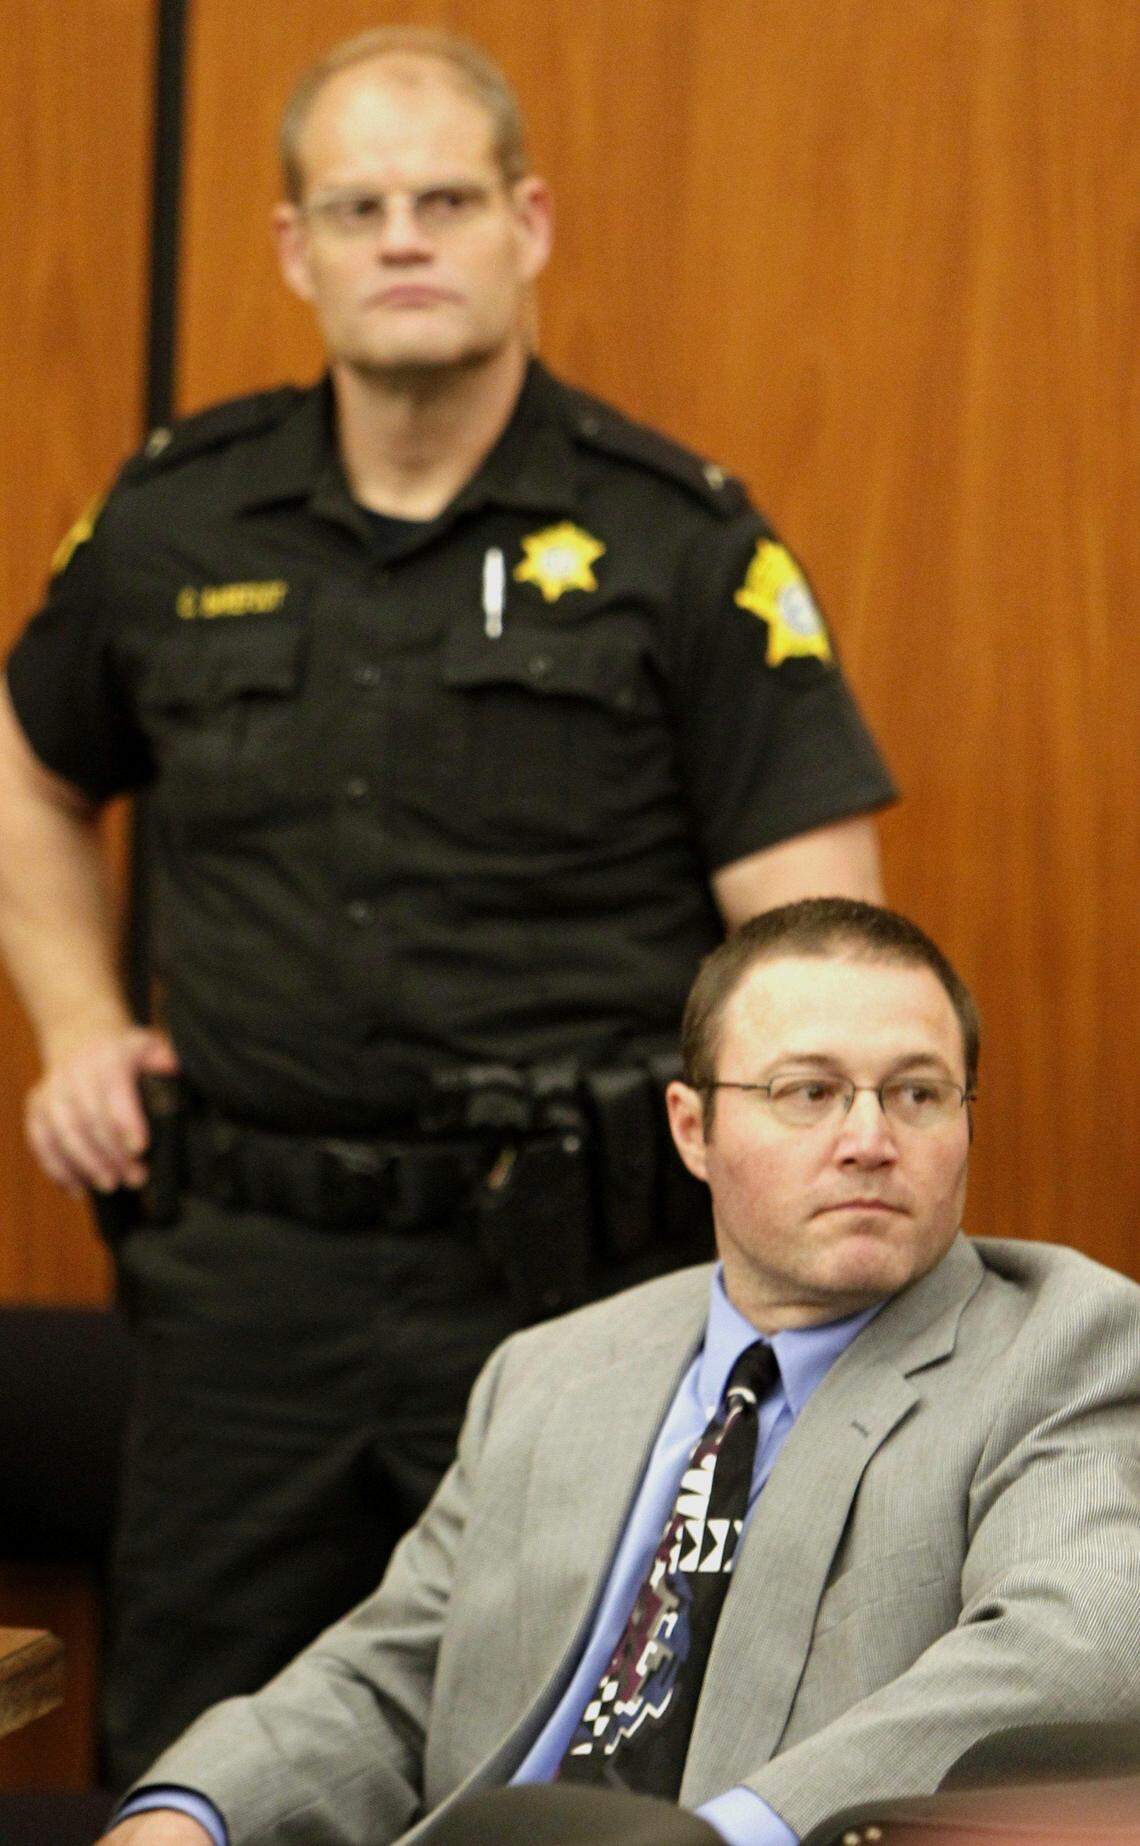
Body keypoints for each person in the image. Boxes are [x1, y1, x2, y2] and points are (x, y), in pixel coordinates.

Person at [0, 26, 893, 1783]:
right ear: (295, 248)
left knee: (573, 1768)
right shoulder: (173, 519)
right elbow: (30, 767)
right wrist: (80, 1026)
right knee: (199, 1760)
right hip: (245, 1282)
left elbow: (820, 947)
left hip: (578, 1294)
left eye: (446, 199)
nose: (404, 235)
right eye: (359, 204)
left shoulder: (676, 542)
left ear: (526, 222)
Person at [99, 898, 1140, 1846]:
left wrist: (735, 1835)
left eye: (918, 1092)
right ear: (694, 1127)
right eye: (808, 1091)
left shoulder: (1065, 1343)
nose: (869, 1139)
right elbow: (392, 1678)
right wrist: (193, 1810)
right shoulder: (553, 1369)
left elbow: (1078, 1643)